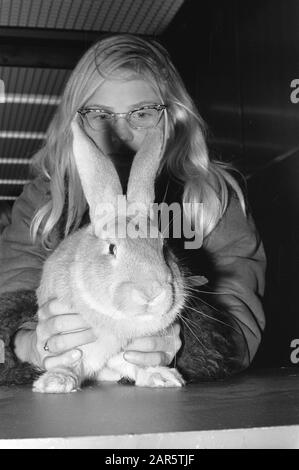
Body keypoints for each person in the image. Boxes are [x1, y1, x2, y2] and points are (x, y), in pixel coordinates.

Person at [0, 34, 266, 386]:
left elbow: (239, 320)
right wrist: (28, 342)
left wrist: (181, 343)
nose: (122, 132)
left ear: (173, 119)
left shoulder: (208, 198)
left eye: (142, 113)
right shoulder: (46, 199)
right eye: (100, 114)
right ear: (76, 122)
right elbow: (10, 286)